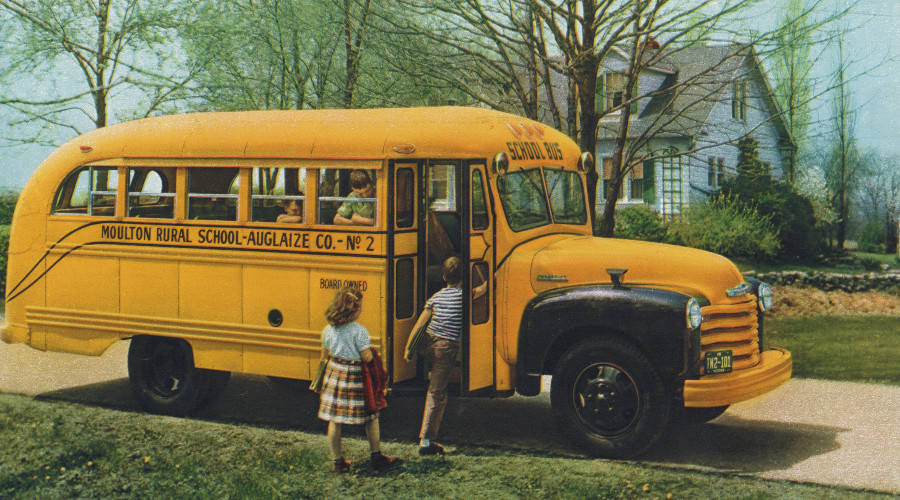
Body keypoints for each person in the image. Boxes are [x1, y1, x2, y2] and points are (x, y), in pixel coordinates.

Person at [318, 287, 401, 472]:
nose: (361, 310)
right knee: (371, 416)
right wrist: (374, 353)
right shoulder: (359, 331)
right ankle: (376, 455)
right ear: (352, 310)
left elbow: (325, 355)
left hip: (334, 373)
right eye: (360, 307)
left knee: (334, 419)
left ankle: (338, 461)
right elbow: (366, 357)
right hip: (355, 376)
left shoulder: (327, 329)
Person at [410, 256, 486, 456]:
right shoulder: (465, 296)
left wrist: (409, 349)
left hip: (428, 343)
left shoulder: (436, 297)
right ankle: (426, 441)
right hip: (445, 348)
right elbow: (482, 290)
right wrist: (491, 278)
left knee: (434, 379)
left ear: (443, 277)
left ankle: (428, 372)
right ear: (464, 277)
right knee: (437, 393)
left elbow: (420, 324)